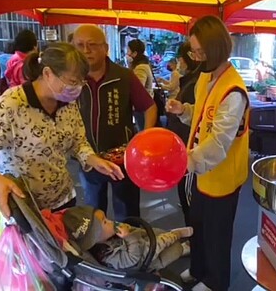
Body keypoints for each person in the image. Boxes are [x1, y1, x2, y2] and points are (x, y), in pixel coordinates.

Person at [0, 43, 124, 245]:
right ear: (47, 73)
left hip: (63, 202)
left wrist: (93, 159)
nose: (77, 88)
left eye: (81, 82)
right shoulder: (13, 104)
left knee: (65, 261)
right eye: (72, 81)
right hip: (26, 210)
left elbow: (78, 142)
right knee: (33, 270)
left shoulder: (67, 102)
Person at [166, 15, 250, 291]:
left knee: (218, 232)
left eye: (200, 51)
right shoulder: (207, 77)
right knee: (198, 223)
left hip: (223, 174)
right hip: (203, 172)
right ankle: (199, 268)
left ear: (216, 48)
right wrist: (185, 111)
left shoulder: (234, 91)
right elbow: (203, 118)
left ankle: (216, 282)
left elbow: (219, 142)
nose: (196, 57)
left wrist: (187, 161)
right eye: (194, 51)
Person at [73, 25, 157, 221]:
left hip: (122, 159)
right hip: (88, 157)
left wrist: (143, 141)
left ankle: (132, 250)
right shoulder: (73, 78)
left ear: (105, 48)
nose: (86, 51)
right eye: (80, 45)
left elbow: (149, 107)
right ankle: (98, 250)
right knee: (93, 213)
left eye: (92, 45)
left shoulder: (124, 76)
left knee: (127, 213)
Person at [62, 206, 192, 270]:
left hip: (132, 245)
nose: (111, 221)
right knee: (159, 242)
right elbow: (132, 259)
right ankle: (176, 235)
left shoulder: (105, 238)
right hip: (141, 260)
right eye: (105, 222)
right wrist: (129, 236)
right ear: (95, 238)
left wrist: (129, 231)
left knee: (154, 231)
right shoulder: (108, 256)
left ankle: (173, 238)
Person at [165, 42, 200, 226]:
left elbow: (196, 120)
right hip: (183, 147)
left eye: (180, 58)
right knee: (186, 194)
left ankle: (193, 237)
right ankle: (192, 235)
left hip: (189, 149)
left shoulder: (196, 83)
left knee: (189, 196)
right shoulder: (190, 80)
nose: (179, 62)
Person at [126, 39, 154, 131]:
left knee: (143, 132)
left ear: (134, 53)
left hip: (142, 108)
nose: (127, 53)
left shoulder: (140, 68)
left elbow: (137, 88)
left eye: (128, 51)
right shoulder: (144, 64)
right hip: (144, 107)